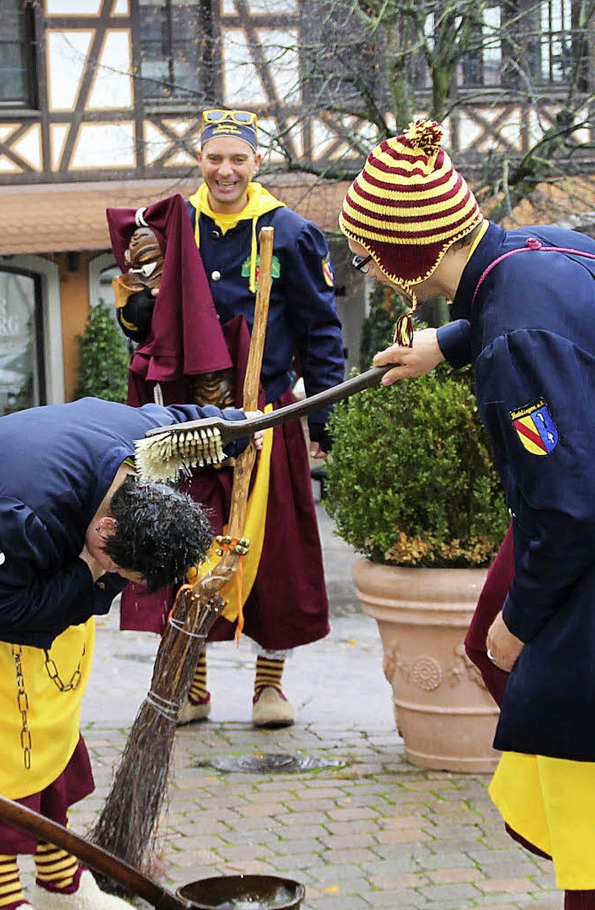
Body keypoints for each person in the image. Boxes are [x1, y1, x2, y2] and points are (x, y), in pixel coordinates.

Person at [338, 116, 595, 909]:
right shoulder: (540, 249)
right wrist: (443, 345)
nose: (371, 274)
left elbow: (570, 509)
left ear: (406, 256)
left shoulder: (515, 338)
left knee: (534, 677)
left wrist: (518, 626)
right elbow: (522, 303)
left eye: (369, 258)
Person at [0, 396, 254, 910]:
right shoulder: (14, 516)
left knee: (47, 750)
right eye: (118, 572)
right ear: (108, 530)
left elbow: (188, 424)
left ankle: (62, 885)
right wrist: (87, 575)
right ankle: (2, 901)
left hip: (33, 619)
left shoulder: (142, 444)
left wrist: (238, 427)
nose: (114, 581)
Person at [109, 108, 345, 728]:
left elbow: (322, 334)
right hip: (189, 419)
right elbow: (142, 323)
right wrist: (136, 297)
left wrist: (324, 423)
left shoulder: (289, 232)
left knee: (273, 556)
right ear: (200, 160)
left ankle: (271, 687)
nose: (225, 170)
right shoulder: (172, 225)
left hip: (265, 414)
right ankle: (196, 687)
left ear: (256, 163)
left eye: (237, 158)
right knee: (189, 545)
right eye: (215, 157)